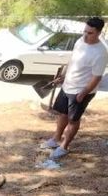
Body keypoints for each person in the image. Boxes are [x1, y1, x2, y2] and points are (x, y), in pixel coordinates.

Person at [41, 17, 108, 160]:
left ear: (98, 33)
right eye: (85, 31)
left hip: (81, 91)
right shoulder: (80, 41)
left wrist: (83, 93)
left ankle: (64, 146)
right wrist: (64, 76)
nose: (85, 35)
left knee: (73, 120)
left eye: (90, 33)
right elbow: (73, 61)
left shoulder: (100, 53)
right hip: (68, 86)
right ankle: (56, 139)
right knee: (62, 114)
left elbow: (96, 77)